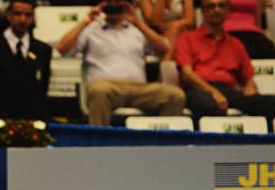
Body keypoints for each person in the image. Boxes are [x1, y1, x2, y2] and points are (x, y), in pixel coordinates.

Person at [55, 0, 185, 126]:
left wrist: (138, 23)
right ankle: (98, 142)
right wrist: (86, 21)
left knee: (175, 96)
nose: (114, 5)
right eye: (109, 2)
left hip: (139, 88)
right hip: (108, 87)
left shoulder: (137, 30)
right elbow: (62, 48)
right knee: (98, 91)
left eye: (118, 2)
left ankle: (163, 143)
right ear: (102, 5)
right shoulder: (91, 30)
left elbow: (164, 49)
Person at [175, 0, 275, 122]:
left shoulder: (235, 44)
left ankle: (259, 140)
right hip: (199, 88)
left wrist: (250, 88)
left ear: (228, 11)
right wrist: (213, 91)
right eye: (211, 6)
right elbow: (187, 74)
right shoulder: (187, 38)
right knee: (208, 105)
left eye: (221, 6)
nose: (217, 10)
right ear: (202, 11)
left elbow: (248, 76)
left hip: (229, 91)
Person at [0, 0, 51, 120]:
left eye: (28, 15)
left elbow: (43, 87)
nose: (22, 19)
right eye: (18, 14)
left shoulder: (43, 50)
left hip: (32, 120)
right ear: (8, 15)